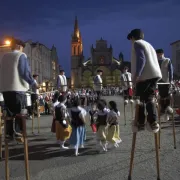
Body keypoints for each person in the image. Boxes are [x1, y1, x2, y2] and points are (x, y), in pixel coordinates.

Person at [127, 29, 162, 132]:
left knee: (140, 99)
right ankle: (153, 122)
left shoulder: (137, 43)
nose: (130, 41)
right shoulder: (149, 44)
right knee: (150, 98)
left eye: (131, 39)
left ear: (133, 37)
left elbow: (141, 59)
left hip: (144, 76)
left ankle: (140, 122)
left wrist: (137, 75)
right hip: (154, 75)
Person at [0, 38, 35, 141]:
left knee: (9, 112)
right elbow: (24, 72)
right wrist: (32, 82)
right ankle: (19, 132)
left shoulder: (4, 56)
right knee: (21, 111)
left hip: (5, 89)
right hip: (17, 88)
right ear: (20, 47)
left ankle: (9, 133)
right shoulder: (21, 55)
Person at [156, 49, 174, 120]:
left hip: (166, 80)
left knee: (167, 94)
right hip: (158, 81)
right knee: (161, 95)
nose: (158, 56)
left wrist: (171, 81)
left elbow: (170, 71)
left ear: (162, 54)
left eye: (159, 54)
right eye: (157, 55)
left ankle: (168, 108)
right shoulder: (156, 61)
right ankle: (163, 109)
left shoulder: (167, 60)